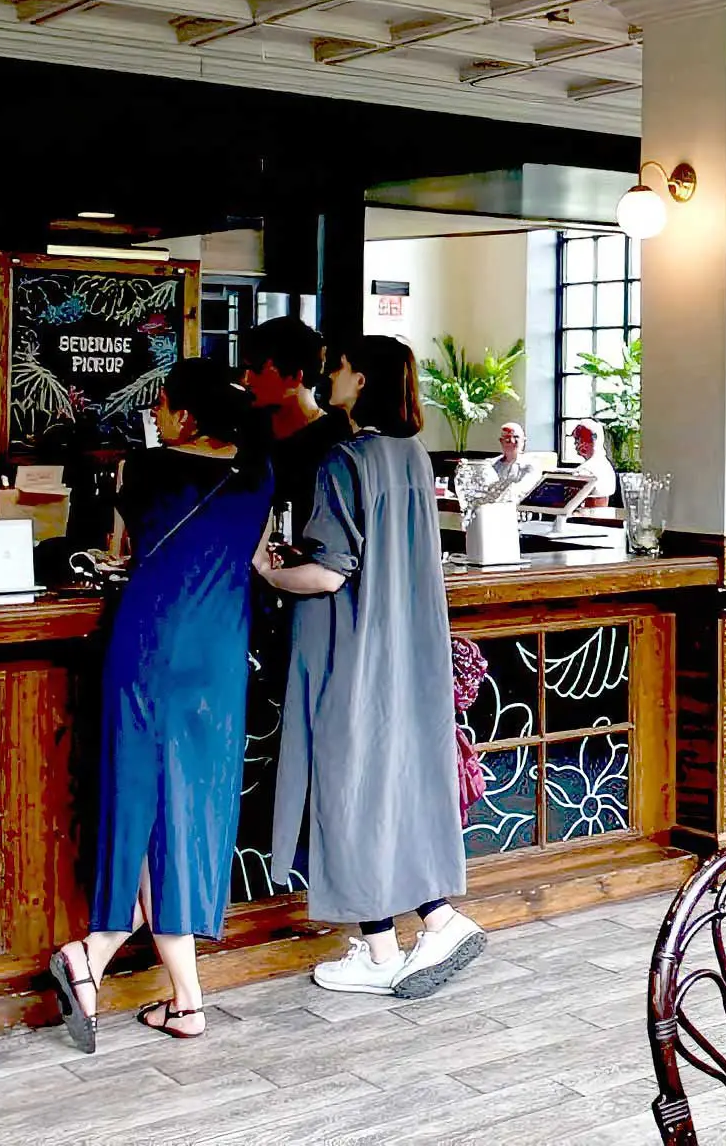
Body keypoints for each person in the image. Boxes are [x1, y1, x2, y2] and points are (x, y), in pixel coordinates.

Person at [48, 359, 274, 1051]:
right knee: (188, 806)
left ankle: (97, 949)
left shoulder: (143, 471)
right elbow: (258, 559)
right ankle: (183, 999)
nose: (160, 417)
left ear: (184, 413)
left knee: (140, 801)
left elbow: (122, 551)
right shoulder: (260, 471)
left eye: (165, 406)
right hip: (218, 652)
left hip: (148, 642)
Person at [257, 337, 484, 999]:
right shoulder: (410, 456)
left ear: (362, 378)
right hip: (404, 651)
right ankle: (392, 940)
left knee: (344, 794)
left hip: (347, 655)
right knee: (385, 795)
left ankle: (418, 930)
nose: (330, 376)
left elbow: (328, 575)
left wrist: (270, 568)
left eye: (339, 367)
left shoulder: (343, 461)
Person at [240, 315, 352, 538]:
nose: (246, 380)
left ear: (294, 376)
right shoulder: (248, 427)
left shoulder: (335, 442)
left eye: (257, 370)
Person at [454, 421, 540, 510]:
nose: (512, 441)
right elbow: (481, 489)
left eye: (516, 437)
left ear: (523, 441)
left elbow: (522, 490)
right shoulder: (490, 464)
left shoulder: (530, 466)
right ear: (501, 441)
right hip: (489, 511)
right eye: (507, 438)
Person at [570, 419, 618, 507]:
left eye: (578, 439)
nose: (575, 443)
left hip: (586, 517)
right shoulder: (606, 466)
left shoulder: (585, 470)